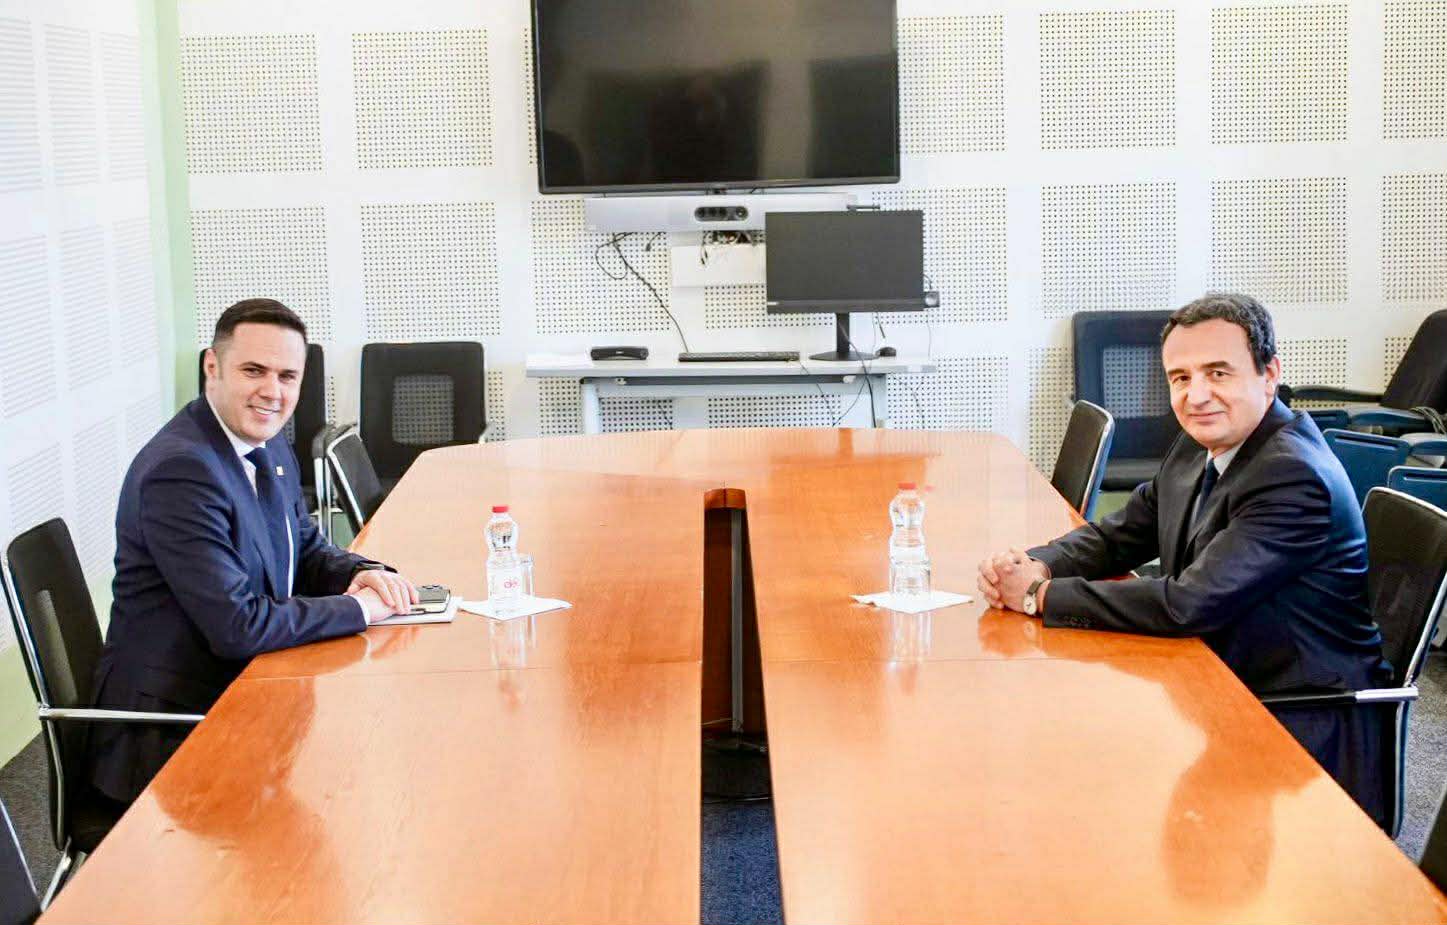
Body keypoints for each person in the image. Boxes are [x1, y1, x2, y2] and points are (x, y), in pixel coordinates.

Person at [977, 292, 1392, 827]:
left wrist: (1039, 597)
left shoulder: (1292, 476)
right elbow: (1121, 535)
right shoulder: (1200, 444)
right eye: (1180, 377)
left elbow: (1190, 602)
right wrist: (1038, 564)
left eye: (1218, 373)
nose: (1196, 395)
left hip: (1295, 725)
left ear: (1269, 374)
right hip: (1213, 682)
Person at [88, 298, 419, 805]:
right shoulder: (181, 472)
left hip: (248, 691)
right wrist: (359, 610)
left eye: (288, 376)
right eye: (254, 371)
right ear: (212, 367)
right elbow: (238, 625)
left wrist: (361, 573)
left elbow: (303, 545)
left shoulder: (266, 442)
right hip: (173, 732)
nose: (272, 392)